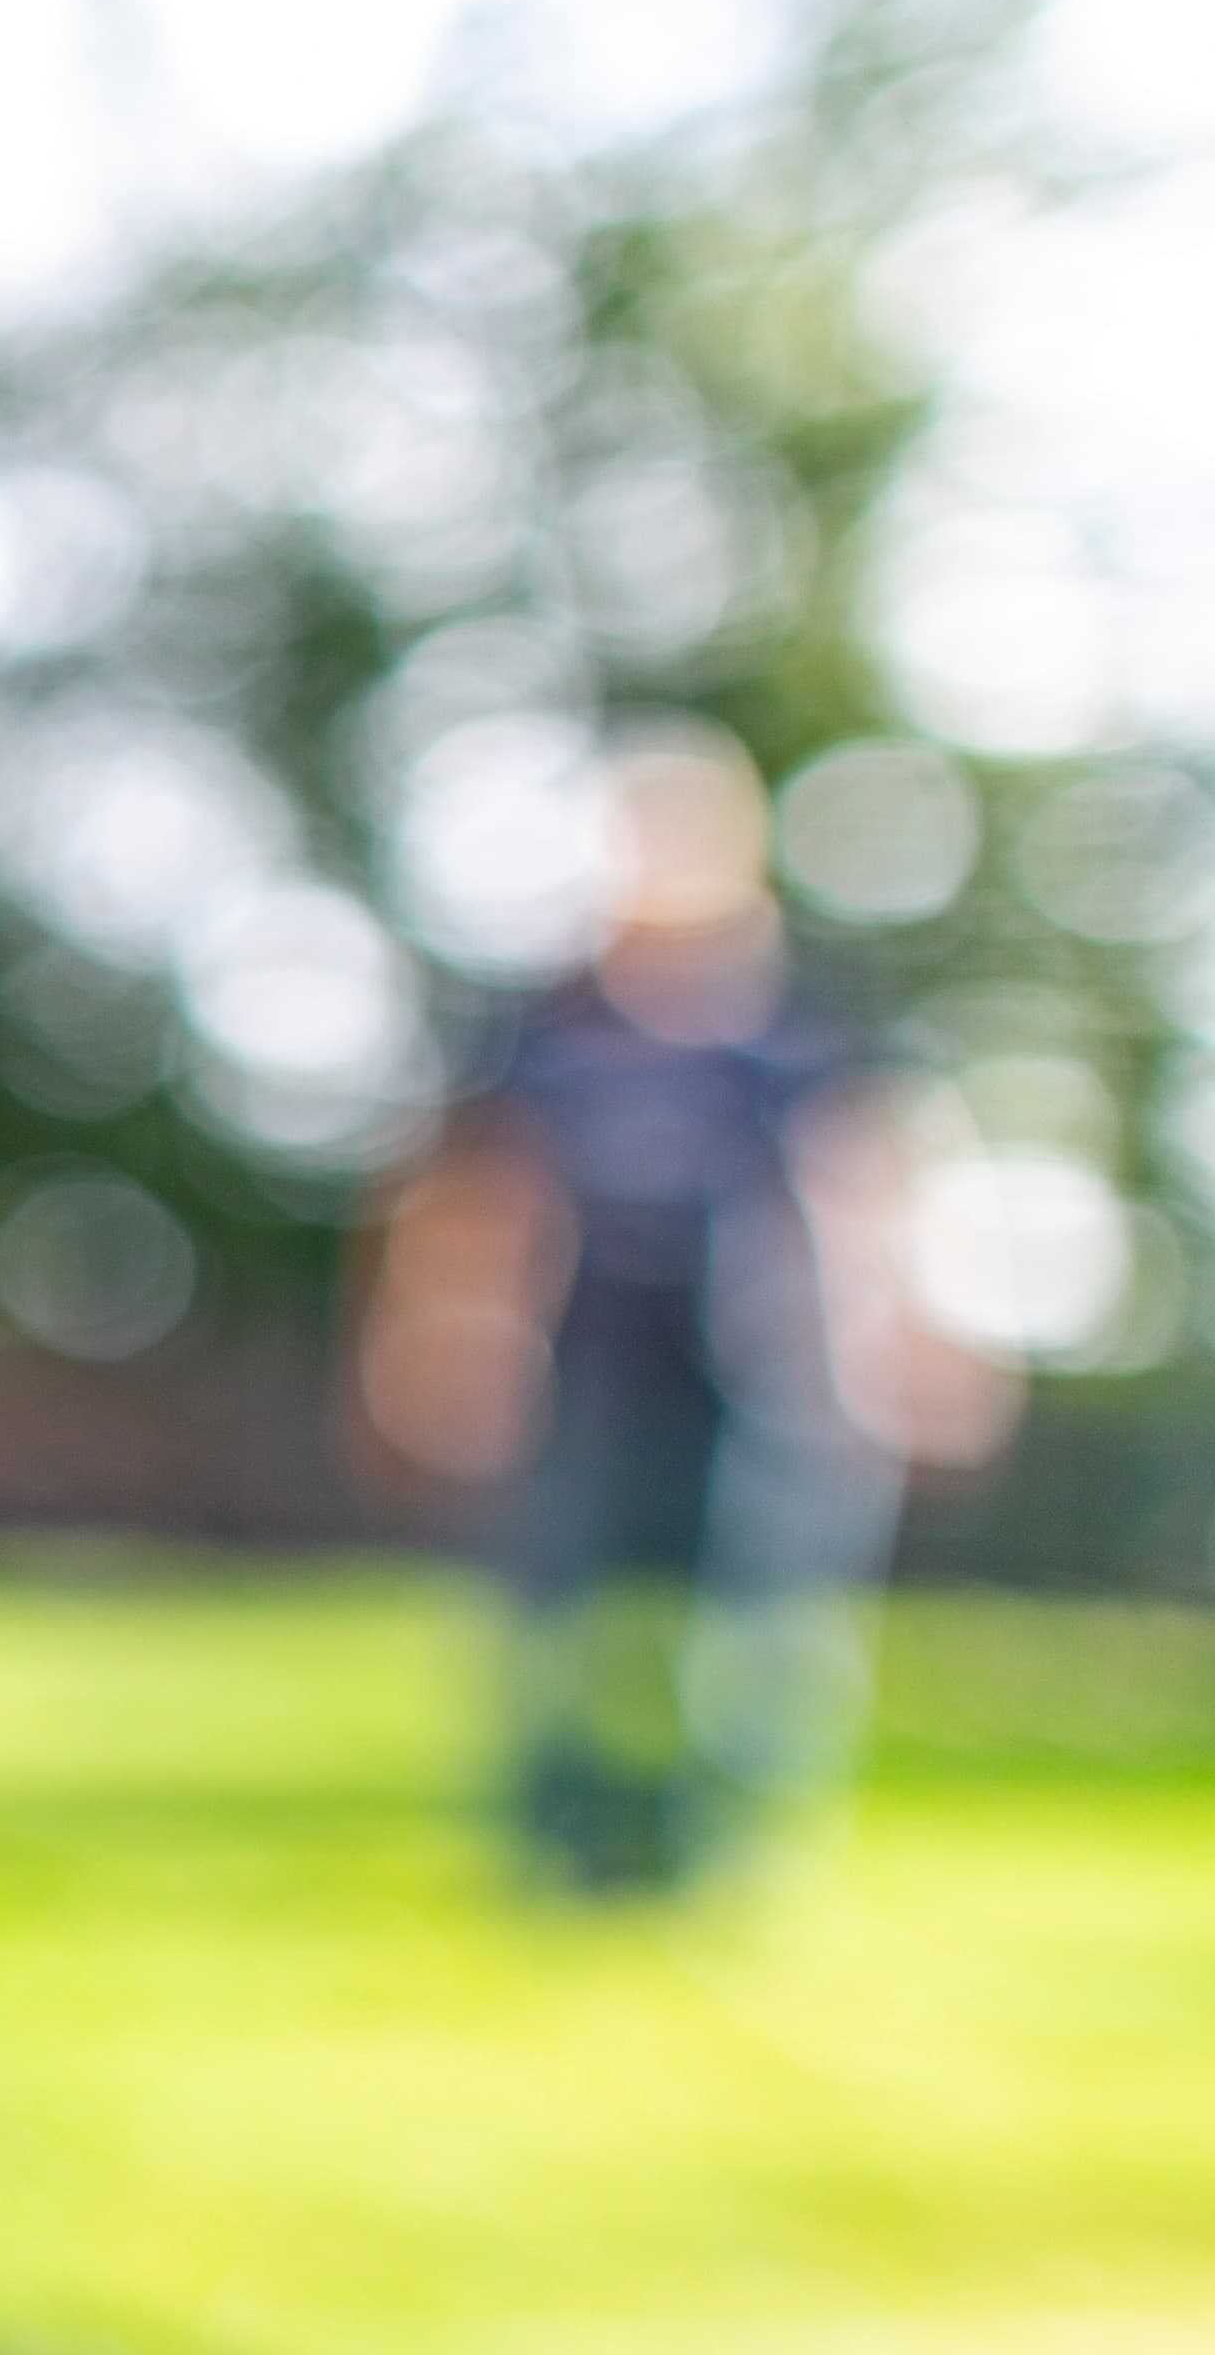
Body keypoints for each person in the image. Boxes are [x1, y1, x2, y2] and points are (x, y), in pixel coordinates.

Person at [351, 727, 1010, 1891]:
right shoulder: (537, 1023)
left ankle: (724, 1840)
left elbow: (870, 1183)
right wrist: (436, 1340)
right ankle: (560, 1839)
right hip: (581, 1354)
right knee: (554, 1599)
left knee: (762, 1606)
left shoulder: (806, 1020)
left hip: (762, 1361)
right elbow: (466, 1191)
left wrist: (918, 1346)